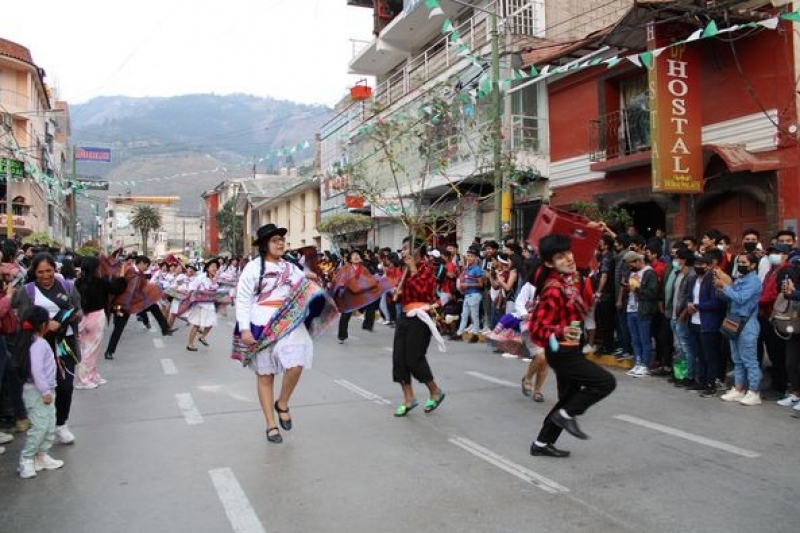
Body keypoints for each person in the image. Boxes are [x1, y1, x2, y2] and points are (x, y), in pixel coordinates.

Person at [233, 224, 337, 443]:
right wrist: (244, 328)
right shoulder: (253, 268)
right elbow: (243, 299)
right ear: (264, 245)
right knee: (265, 375)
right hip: (260, 323)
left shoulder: (290, 267)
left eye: (282, 239)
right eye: (275, 240)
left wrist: (310, 278)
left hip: (289, 322)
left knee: (296, 364)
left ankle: (282, 402)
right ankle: (271, 425)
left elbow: (302, 282)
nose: (280, 243)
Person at [528, 234, 616, 458]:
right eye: (560, 256)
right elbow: (536, 329)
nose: (568, 258)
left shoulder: (571, 279)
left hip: (571, 347)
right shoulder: (554, 289)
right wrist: (560, 330)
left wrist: (594, 229)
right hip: (562, 352)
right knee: (605, 382)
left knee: (568, 398)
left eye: (568, 253)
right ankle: (566, 415)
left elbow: (585, 246)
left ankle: (541, 443)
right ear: (549, 263)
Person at [12, 253, 83, 446]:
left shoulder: (68, 287)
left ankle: (61, 424)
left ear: (55, 270)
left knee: (66, 386)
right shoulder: (26, 291)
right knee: (41, 388)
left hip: (64, 345)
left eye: (49, 271)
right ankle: (42, 427)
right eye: (40, 272)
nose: (45, 276)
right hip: (37, 347)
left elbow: (79, 310)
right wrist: (43, 324)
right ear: (34, 272)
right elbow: (19, 317)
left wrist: (69, 318)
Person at [392, 237, 446, 417]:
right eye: (403, 248)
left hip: (420, 318)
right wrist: (397, 293)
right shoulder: (404, 270)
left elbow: (424, 292)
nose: (404, 252)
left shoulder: (427, 269)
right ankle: (409, 398)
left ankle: (435, 391)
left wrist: (413, 269)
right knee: (399, 359)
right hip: (404, 316)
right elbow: (404, 296)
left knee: (414, 358)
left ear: (417, 251)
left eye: (407, 248)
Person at [13, 306, 65, 478]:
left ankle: (41, 455)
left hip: (46, 390)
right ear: (43, 325)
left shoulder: (35, 342)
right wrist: (44, 391)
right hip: (39, 393)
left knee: (49, 425)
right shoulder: (38, 344)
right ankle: (26, 459)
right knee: (40, 427)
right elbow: (37, 370)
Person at [104, 256, 176, 360]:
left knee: (154, 306)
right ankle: (109, 352)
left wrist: (155, 294)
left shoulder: (140, 275)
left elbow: (143, 288)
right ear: (141, 263)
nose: (146, 268)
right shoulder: (128, 270)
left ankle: (165, 329)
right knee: (118, 329)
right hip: (121, 305)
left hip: (133, 303)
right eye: (146, 266)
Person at [717, 252, 763, 405]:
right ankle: (738, 389)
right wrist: (720, 289)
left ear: (753, 265)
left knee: (749, 360)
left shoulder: (754, 281)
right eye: (739, 262)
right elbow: (731, 299)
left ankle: (754, 392)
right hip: (733, 321)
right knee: (737, 359)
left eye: (744, 262)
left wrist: (724, 287)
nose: (741, 265)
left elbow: (741, 298)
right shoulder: (740, 279)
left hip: (747, 324)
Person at [74, 256, 127, 389]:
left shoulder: (77, 282)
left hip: (81, 318)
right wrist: (122, 275)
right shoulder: (100, 282)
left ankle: (92, 376)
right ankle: (83, 380)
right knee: (91, 350)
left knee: (85, 349)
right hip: (96, 317)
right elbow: (117, 289)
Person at [330, 250, 388, 344]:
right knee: (345, 315)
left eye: (357, 254)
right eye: (353, 255)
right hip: (348, 295)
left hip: (360, 293)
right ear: (350, 258)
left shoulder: (364, 269)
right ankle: (342, 336)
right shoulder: (345, 268)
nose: (356, 256)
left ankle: (367, 324)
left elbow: (370, 279)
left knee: (371, 303)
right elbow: (339, 279)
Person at [184, 259, 221, 351]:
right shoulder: (201, 277)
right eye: (212, 266)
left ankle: (202, 337)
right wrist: (187, 298)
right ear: (207, 268)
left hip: (209, 304)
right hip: (199, 304)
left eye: (216, 267)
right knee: (196, 325)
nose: (214, 268)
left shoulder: (215, 279)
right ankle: (190, 345)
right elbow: (192, 286)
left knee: (211, 323)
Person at [454, 246, 483, 342]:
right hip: (467, 295)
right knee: (464, 315)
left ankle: (475, 335)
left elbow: (480, 284)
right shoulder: (467, 269)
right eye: (468, 256)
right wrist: (462, 288)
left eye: (471, 256)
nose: (469, 258)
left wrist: (468, 284)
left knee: (474, 316)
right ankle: (459, 334)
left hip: (475, 295)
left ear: (475, 258)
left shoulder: (477, 269)